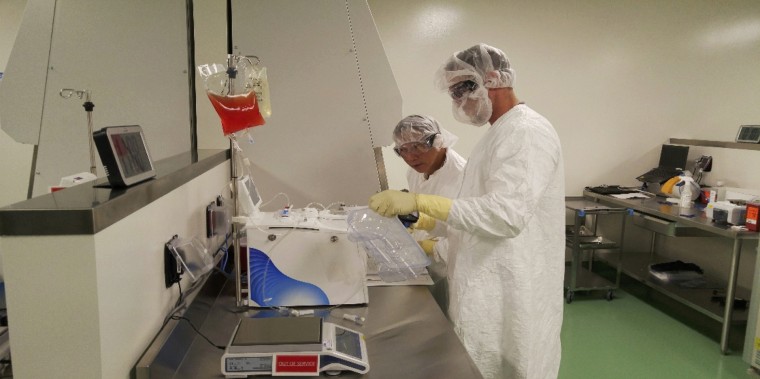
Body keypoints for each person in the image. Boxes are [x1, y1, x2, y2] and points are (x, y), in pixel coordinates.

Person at [368, 43, 565, 379]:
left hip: (512, 286)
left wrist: (420, 204)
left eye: (463, 88)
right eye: (453, 93)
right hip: (486, 278)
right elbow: (477, 207)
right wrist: (429, 220)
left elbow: (505, 216)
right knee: (478, 365)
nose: (458, 101)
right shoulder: (499, 133)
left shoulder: (526, 131)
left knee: (512, 366)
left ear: (493, 78)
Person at [391, 114, 466, 313]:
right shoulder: (414, 172)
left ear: (438, 141)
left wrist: (428, 246)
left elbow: (467, 241)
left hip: (453, 271)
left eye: (417, 146)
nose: (410, 157)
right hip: (426, 267)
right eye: (403, 150)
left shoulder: (462, 176)